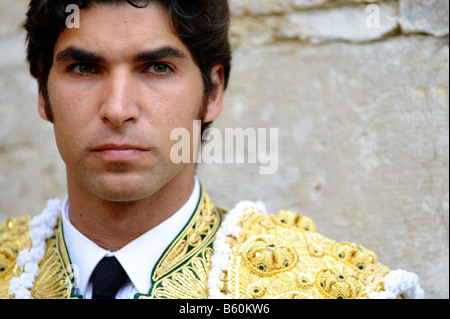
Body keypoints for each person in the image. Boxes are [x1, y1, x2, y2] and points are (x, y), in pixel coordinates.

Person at [0, 0, 424, 299]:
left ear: (213, 91)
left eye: (157, 68)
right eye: (85, 67)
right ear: (42, 92)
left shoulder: (337, 290)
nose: (117, 109)